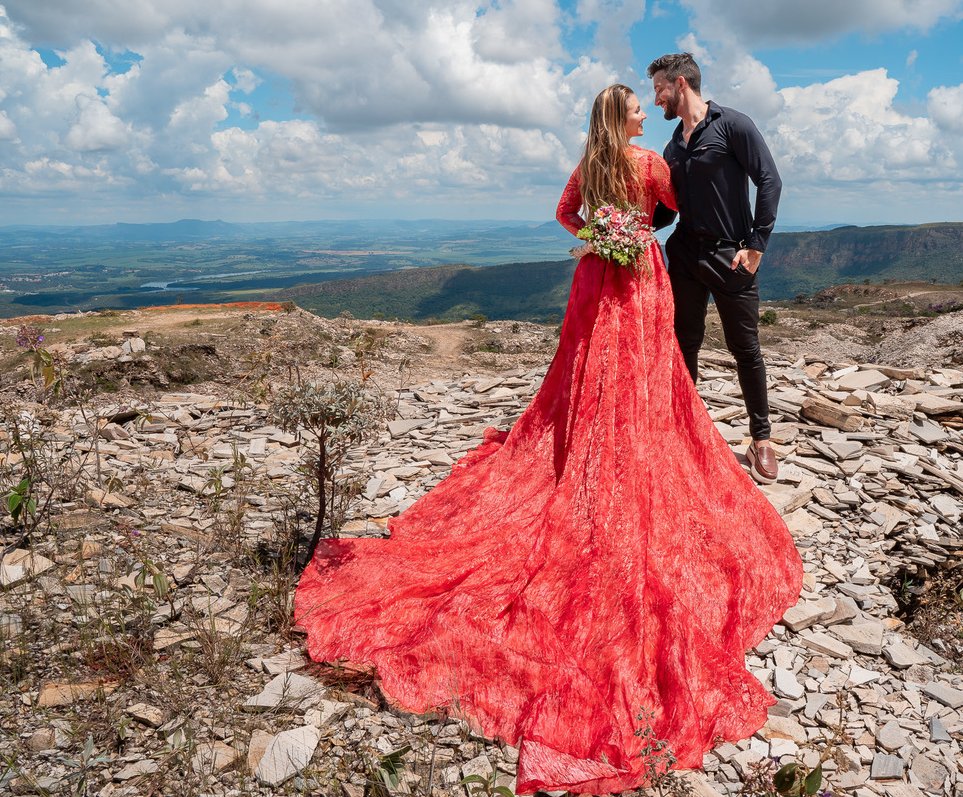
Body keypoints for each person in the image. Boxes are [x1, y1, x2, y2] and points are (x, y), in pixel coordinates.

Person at [293, 83, 802, 795]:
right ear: (621, 118)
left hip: (597, 277)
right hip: (640, 278)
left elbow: (566, 213)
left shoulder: (588, 163)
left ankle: (590, 436)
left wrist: (599, 238)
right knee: (639, 370)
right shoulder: (649, 161)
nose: (639, 112)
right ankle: (625, 439)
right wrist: (645, 233)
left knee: (588, 366)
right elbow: (675, 211)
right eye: (632, 106)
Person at [647, 52, 783, 484]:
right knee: (684, 343)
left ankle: (761, 439)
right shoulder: (672, 145)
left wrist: (757, 246)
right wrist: (630, 227)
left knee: (745, 347)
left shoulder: (732, 124)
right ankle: (683, 431)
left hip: (732, 255)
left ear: (681, 84)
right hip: (684, 253)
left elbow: (769, 180)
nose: (656, 101)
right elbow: (668, 212)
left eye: (659, 90)